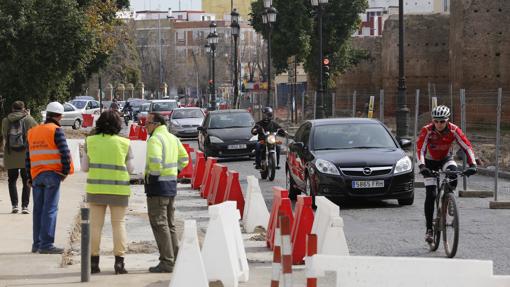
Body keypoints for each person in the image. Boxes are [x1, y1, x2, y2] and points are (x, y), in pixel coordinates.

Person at [81, 110, 134, 274]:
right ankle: (119, 263)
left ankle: (94, 263)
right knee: (118, 224)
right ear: (118, 125)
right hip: (119, 190)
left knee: (95, 226)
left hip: (96, 190)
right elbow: (131, 169)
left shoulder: (90, 141)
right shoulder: (125, 143)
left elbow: (84, 168)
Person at [416, 105, 477, 244]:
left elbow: (467, 146)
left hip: (445, 159)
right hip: (429, 162)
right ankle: (429, 230)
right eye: (436, 121)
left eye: (442, 121)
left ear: (447, 120)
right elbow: (420, 149)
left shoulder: (454, 130)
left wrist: (473, 165)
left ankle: (449, 198)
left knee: (454, 173)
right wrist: (422, 166)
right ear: (433, 120)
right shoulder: (427, 130)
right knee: (430, 195)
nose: (439, 124)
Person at [26, 102, 74, 254]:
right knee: (50, 209)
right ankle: (46, 245)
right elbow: (65, 153)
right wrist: (65, 172)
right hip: (52, 175)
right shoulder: (56, 130)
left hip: (36, 176)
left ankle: (37, 244)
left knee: (38, 209)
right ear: (59, 116)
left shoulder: (33, 132)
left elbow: (28, 157)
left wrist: (29, 176)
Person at [144, 112, 189, 273]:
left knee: (159, 224)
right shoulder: (172, 138)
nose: (145, 126)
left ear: (156, 124)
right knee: (169, 224)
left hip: (158, 188)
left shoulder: (155, 139)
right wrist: (174, 172)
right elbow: (184, 158)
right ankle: (175, 258)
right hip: (170, 186)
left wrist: (153, 180)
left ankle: (167, 261)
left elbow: (155, 162)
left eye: (147, 123)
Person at [1, 101, 38, 214]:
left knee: (12, 180)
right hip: (26, 154)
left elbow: (3, 135)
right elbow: (37, 130)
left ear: (12, 108)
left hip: (10, 154)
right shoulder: (28, 119)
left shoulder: (5, 120)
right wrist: (29, 116)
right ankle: (25, 206)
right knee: (26, 180)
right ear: (23, 108)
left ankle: (14, 205)